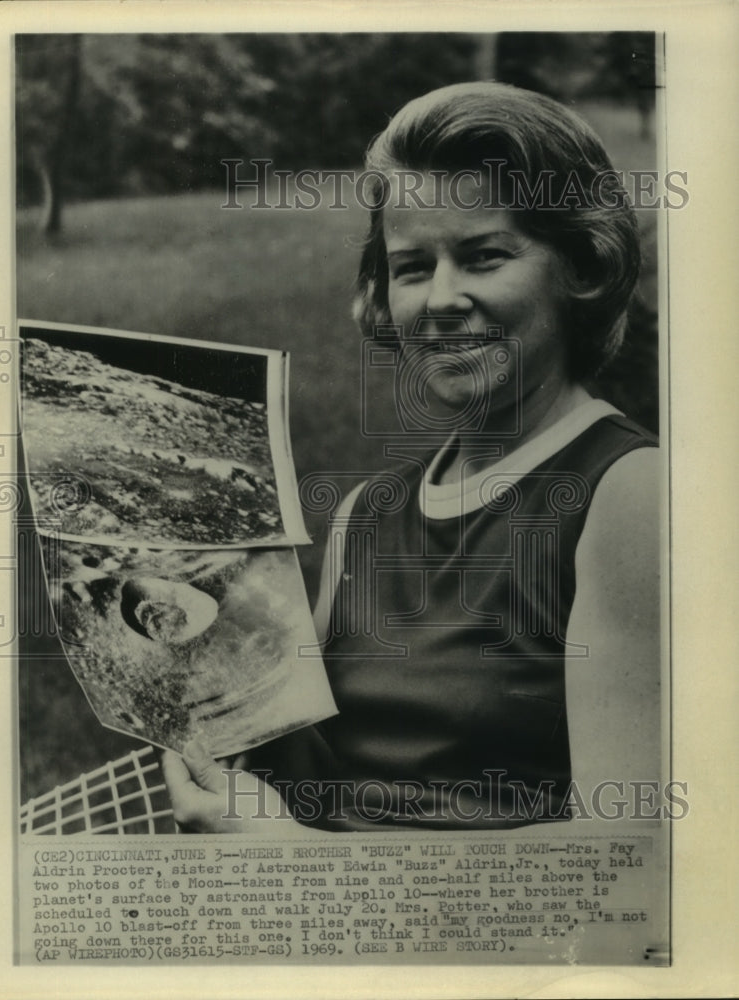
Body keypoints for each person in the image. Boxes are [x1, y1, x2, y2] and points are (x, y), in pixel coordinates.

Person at [162, 82, 660, 832]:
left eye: (485, 256)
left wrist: (294, 869)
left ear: (582, 267)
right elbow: (324, 784)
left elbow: (627, 862)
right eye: (412, 267)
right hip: (319, 935)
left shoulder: (628, 492)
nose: (442, 299)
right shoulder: (369, 515)